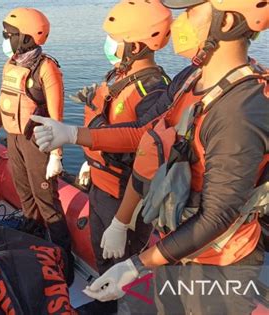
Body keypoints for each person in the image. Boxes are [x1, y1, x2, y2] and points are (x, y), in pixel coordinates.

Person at [72, 1, 266, 314]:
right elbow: (142, 136)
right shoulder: (191, 78)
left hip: (219, 265)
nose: (178, 23)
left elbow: (217, 216)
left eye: (190, 12)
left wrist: (135, 265)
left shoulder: (240, 112)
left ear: (227, 22)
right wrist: (71, 135)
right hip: (176, 249)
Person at [0, 8, 74, 284]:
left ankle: (65, 261)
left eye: (10, 35)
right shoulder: (12, 63)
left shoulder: (46, 68)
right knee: (25, 195)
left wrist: (57, 155)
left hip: (38, 141)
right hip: (15, 139)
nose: (5, 39)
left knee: (47, 202)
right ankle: (34, 245)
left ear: (27, 38)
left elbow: (56, 116)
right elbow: (3, 102)